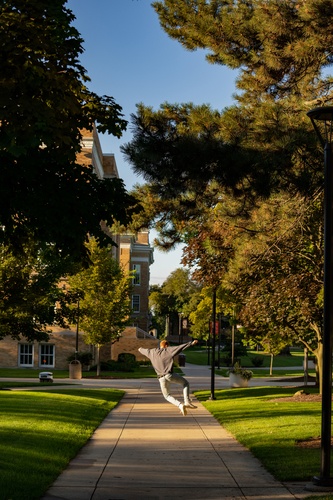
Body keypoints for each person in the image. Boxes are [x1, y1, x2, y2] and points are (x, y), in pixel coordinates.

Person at [138, 339, 199, 416]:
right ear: (166, 345)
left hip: (160, 378)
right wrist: (191, 343)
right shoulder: (168, 350)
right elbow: (180, 347)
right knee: (185, 383)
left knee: (167, 396)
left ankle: (180, 405)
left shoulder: (152, 352)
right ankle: (186, 402)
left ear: (160, 345)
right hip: (169, 375)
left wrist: (140, 349)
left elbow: (141, 350)